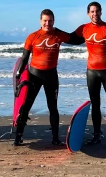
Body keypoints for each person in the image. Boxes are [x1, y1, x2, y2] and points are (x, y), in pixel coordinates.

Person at [14, 9, 84, 146]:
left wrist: (87, 31)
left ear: (54, 21)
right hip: (34, 76)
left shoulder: (58, 35)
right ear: (40, 21)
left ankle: (55, 137)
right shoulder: (32, 36)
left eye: (50, 21)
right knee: (26, 105)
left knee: (53, 107)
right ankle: (18, 136)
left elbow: (75, 40)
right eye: (45, 21)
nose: (48, 23)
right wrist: (18, 75)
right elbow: (24, 58)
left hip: (51, 75)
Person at [70, 2, 106, 148]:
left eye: (97, 11)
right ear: (88, 13)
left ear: (101, 12)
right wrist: (53, 33)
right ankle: (97, 135)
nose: (95, 14)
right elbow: (70, 38)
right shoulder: (84, 29)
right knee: (95, 105)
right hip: (91, 72)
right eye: (92, 12)